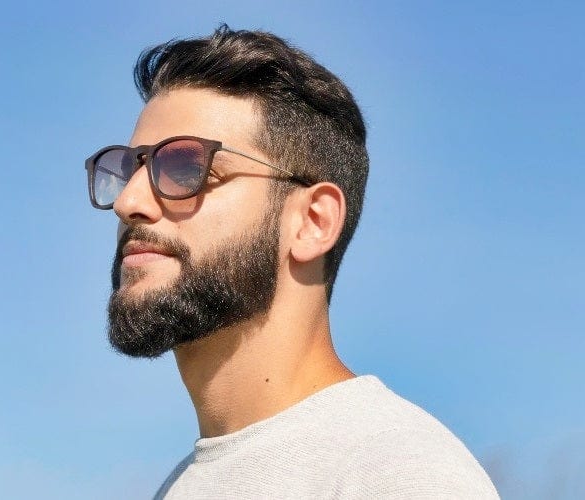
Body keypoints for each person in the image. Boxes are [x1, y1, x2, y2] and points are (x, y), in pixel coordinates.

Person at [85, 25, 499, 499]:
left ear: (313, 222)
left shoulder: (398, 476)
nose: (129, 201)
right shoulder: (179, 487)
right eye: (129, 168)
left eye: (184, 166)